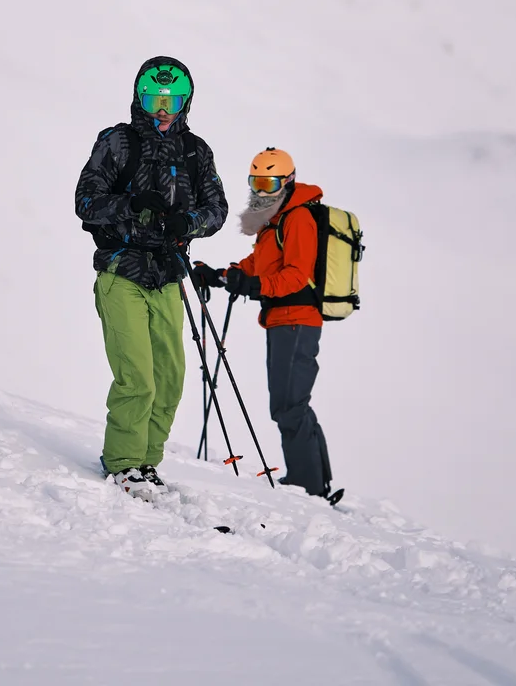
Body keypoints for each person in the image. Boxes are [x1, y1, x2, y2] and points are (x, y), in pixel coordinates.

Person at [74, 57, 227, 495]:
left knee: (169, 379)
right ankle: (122, 461)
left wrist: (188, 223)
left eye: (172, 100)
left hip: (167, 274)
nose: (163, 109)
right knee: (137, 376)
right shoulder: (117, 142)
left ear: (186, 102)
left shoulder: (196, 151)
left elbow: (217, 210)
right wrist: (130, 202)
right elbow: (86, 200)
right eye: (154, 99)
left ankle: (146, 462)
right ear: (139, 98)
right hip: (122, 268)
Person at [192, 148, 340, 502]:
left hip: (296, 321)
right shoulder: (275, 220)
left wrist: (255, 287)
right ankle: (315, 482)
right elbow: (257, 264)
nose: (261, 190)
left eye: (268, 182)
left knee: (288, 406)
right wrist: (223, 276)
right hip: (281, 321)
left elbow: (296, 276)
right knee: (292, 403)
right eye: (255, 182)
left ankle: (308, 487)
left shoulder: (298, 218)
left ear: (287, 181)